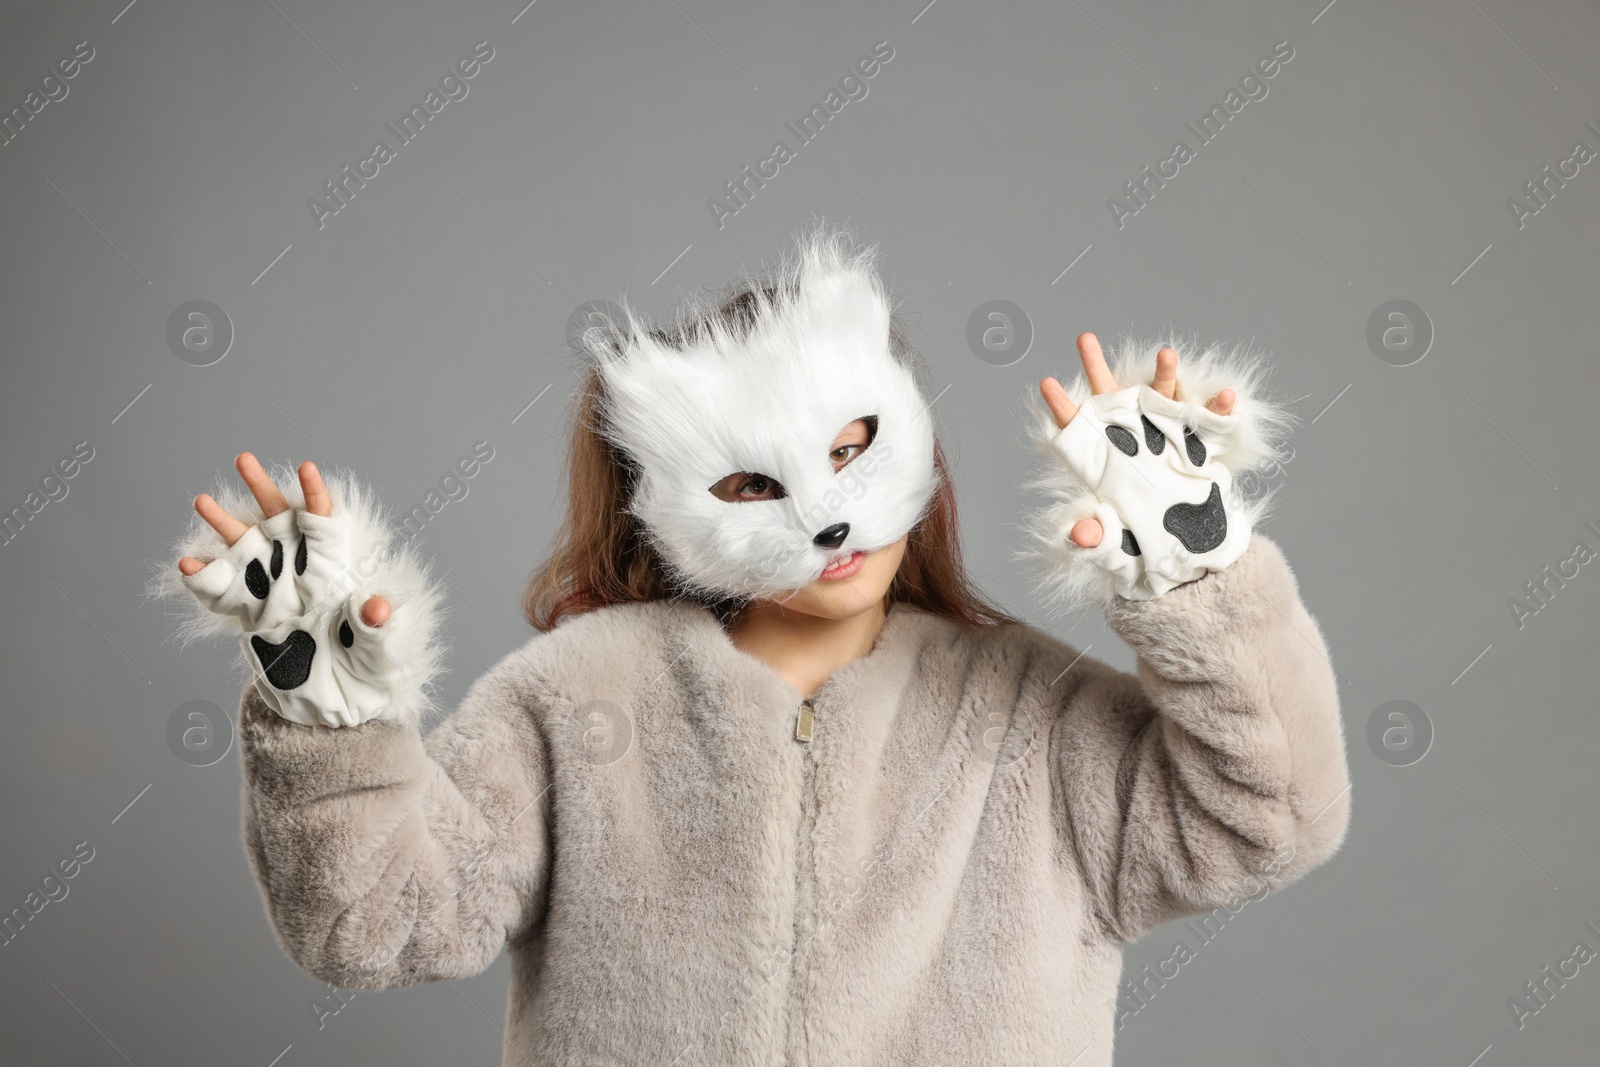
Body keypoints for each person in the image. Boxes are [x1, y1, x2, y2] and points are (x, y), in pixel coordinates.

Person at [161, 225, 1350, 1065]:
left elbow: (1272, 816)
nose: (825, 515)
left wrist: (1197, 579)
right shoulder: (575, 699)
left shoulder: (1028, 712)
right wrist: (333, 721)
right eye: (748, 480)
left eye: (852, 448)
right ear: (661, 500)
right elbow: (369, 922)